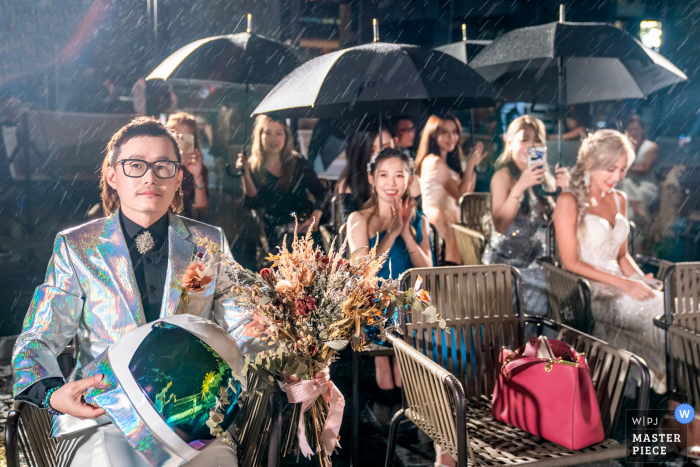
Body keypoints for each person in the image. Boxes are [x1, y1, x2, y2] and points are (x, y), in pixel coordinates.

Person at [11, 116, 262, 466]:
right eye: (135, 165)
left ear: (178, 177)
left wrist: (295, 360)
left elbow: (245, 326)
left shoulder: (207, 243)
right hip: (102, 415)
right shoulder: (77, 246)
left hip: (193, 421)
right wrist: (53, 394)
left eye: (163, 166)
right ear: (113, 176)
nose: (149, 176)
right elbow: (36, 339)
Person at [552, 129, 665, 394]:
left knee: (675, 311)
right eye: (610, 169)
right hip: (590, 293)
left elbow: (622, 255)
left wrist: (639, 278)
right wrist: (625, 284)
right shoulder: (568, 200)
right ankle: (678, 389)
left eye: (623, 169)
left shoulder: (620, 198)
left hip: (622, 283)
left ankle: (679, 397)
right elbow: (570, 262)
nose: (617, 177)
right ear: (590, 164)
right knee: (666, 323)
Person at [347, 147, 432, 393]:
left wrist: (406, 232)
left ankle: (409, 396)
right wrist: (392, 231)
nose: (391, 183)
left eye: (399, 175)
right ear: (372, 179)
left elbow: (428, 271)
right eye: (384, 175)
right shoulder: (359, 218)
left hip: (413, 301)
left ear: (410, 179)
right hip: (374, 302)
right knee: (388, 375)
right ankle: (385, 369)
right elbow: (363, 272)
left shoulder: (420, 220)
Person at [484, 115, 569, 316]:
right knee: (552, 300)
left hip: (540, 260)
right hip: (508, 263)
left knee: (571, 290)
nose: (531, 145)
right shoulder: (502, 176)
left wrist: (565, 193)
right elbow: (500, 225)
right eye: (524, 139)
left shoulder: (546, 179)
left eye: (537, 140)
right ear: (510, 143)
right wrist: (521, 186)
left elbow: (557, 225)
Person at [236, 115, 329, 252]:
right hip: (275, 234)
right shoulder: (252, 167)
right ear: (259, 136)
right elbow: (252, 203)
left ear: (286, 137)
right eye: (267, 133)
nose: (273, 138)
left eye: (279, 133)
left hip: (304, 231)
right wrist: (245, 174)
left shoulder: (298, 163)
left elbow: (323, 194)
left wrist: (315, 216)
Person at [415, 114, 487, 265]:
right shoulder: (434, 163)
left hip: (451, 221)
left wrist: (471, 167)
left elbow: (468, 192)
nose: (451, 137)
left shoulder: (445, 162)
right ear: (434, 135)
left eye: (454, 132)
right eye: (444, 132)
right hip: (440, 224)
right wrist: (470, 166)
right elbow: (461, 195)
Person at [336, 129, 394, 221]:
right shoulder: (351, 185)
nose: (380, 155)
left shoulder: (402, 179)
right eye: (372, 150)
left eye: (386, 148)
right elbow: (350, 229)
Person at [167, 112, 209, 220]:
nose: (181, 142)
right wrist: (174, 165)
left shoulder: (199, 169)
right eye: (178, 137)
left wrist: (198, 176)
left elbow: (201, 208)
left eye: (186, 138)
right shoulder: (159, 167)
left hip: (189, 225)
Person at [619, 115, 658, 221]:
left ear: (642, 130)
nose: (634, 132)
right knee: (624, 187)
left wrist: (623, 168)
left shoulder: (651, 147)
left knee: (626, 190)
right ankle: (639, 223)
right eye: (630, 129)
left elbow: (644, 169)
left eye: (636, 129)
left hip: (646, 187)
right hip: (627, 184)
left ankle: (638, 221)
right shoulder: (624, 148)